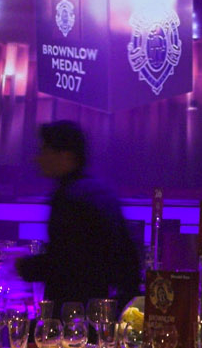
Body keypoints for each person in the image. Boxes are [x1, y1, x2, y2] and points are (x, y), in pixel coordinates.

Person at [16, 121, 142, 307]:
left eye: (45, 151)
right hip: (100, 308)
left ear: (65, 156)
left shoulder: (70, 197)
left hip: (73, 311)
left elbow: (69, 262)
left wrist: (24, 267)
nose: (38, 159)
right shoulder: (98, 192)